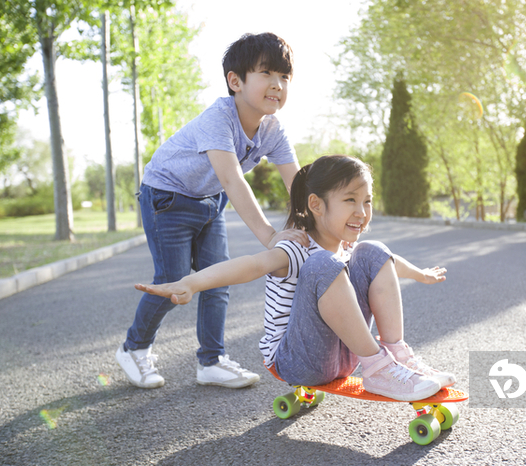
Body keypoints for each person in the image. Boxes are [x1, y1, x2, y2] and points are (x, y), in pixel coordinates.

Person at [136, 155, 457, 401]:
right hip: (294, 361)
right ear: (316, 204)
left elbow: (389, 262)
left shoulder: (350, 246)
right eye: (350, 200)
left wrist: (419, 274)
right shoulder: (297, 247)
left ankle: (395, 356)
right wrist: (191, 283)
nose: (362, 211)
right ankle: (378, 368)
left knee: (373, 250)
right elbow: (250, 265)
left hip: (343, 358)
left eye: (367, 201)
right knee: (322, 264)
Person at [116, 32, 308, 390]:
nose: (277, 84)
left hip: (209, 199)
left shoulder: (273, 129)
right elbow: (234, 181)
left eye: (285, 77)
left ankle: (211, 361)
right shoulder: (218, 119)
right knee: (172, 278)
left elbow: (298, 186)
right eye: (267, 73)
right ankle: (134, 348)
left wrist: (319, 227)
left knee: (218, 280)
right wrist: (271, 236)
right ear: (235, 81)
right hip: (167, 197)